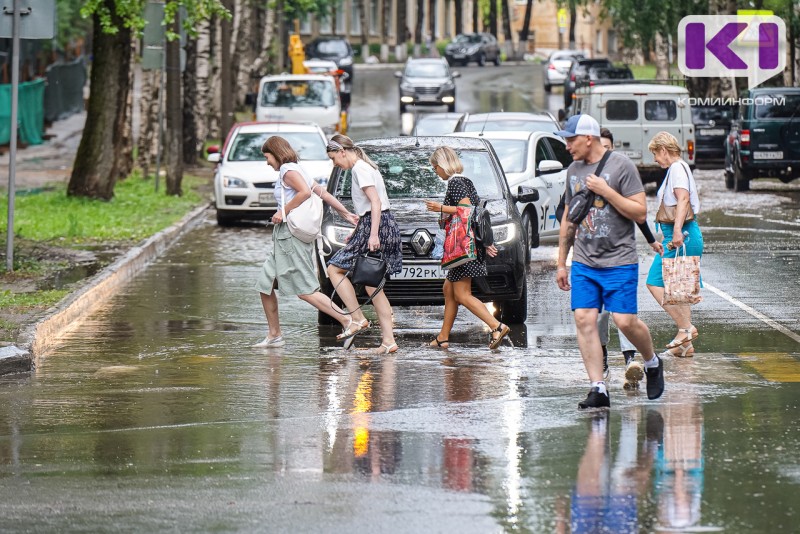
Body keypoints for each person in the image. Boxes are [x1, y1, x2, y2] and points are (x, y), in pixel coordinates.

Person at [555, 114, 664, 409]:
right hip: (584, 262)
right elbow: (569, 219)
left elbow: (640, 212)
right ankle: (598, 388)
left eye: (571, 139)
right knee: (584, 319)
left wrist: (606, 191)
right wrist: (562, 263)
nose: (567, 146)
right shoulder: (573, 170)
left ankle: (652, 362)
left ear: (588, 138)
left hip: (619, 260)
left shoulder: (622, 166)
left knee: (625, 321)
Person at [254, 136, 361, 348]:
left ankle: (349, 320)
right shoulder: (297, 168)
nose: (267, 162)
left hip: (290, 236)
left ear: (276, 153)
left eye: (267, 157)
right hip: (283, 237)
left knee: (305, 290)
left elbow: (304, 192)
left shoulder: (288, 170)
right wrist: (346, 213)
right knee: (265, 284)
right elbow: (322, 193)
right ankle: (275, 334)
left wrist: (283, 211)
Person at [423, 146, 510, 350]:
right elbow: (474, 213)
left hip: (461, 247)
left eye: (435, 168)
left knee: (462, 294)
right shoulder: (465, 181)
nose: (436, 172)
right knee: (448, 289)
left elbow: (466, 210)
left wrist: (440, 208)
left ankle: (497, 326)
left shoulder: (455, 183)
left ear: (442, 164)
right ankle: (443, 337)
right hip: (468, 246)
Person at [596, 128, 664, 389]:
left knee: (623, 314)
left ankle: (630, 361)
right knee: (599, 315)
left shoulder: (622, 175)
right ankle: (602, 360)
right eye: (600, 147)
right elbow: (565, 211)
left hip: (621, 257)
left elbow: (638, 213)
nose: (604, 152)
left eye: (607, 147)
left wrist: (651, 240)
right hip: (593, 259)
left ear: (612, 148)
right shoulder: (584, 175)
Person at [325, 134, 403, 354]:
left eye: (334, 158)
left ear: (342, 152)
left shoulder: (360, 169)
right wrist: (358, 231)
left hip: (377, 225)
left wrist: (373, 235)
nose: (335, 164)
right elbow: (370, 207)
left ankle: (357, 318)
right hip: (376, 223)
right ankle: (388, 342)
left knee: (334, 269)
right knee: (372, 284)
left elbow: (375, 202)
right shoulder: (365, 167)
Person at [646, 131, 704, 358]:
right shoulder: (680, 167)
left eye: (655, 154)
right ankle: (685, 345)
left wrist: (677, 231)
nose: (655, 159)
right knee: (679, 291)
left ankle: (685, 328)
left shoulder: (677, 168)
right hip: (683, 235)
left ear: (664, 150)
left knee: (654, 282)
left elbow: (683, 199)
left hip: (681, 236)